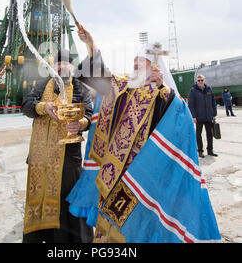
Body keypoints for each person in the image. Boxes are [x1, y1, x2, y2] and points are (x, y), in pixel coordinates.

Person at [67, 26, 221, 243]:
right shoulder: (124, 86)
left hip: (139, 174)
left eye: (142, 64)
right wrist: (91, 45)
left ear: (156, 68)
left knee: (133, 227)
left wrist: (162, 89)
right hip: (113, 171)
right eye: (134, 64)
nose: (136, 68)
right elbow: (103, 77)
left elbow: (180, 121)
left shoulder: (165, 95)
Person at [21, 49, 94, 243]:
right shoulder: (42, 86)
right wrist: (43, 107)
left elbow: (89, 114)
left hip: (68, 158)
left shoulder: (80, 89)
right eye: (58, 63)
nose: (62, 66)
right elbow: (26, 105)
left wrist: (80, 124)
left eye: (66, 63)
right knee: (44, 200)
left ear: (72, 66)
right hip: (42, 158)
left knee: (68, 202)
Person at [188, 74, 218, 158]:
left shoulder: (209, 89)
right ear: (196, 81)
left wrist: (214, 114)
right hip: (199, 117)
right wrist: (193, 116)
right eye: (199, 80)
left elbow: (213, 102)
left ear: (204, 80)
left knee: (210, 134)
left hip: (209, 116)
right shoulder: (193, 90)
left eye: (202, 80)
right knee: (198, 135)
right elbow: (191, 105)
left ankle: (210, 150)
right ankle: (200, 151)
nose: (200, 81)